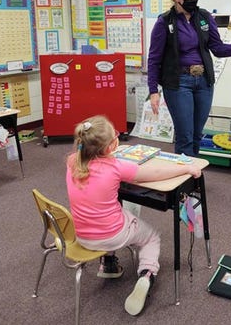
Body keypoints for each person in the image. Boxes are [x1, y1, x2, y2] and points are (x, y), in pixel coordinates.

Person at [65, 115, 202, 316]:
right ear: (111, 147)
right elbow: (154, 174)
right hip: (112, 234)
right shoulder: (115, 167)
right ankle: (146, 274)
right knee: (152, 236)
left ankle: (109, 264)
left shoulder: (72, 162)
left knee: (118, 210)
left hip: (81, 235)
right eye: (115, 137)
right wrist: (188, 168)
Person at [146, 0, 231, 157]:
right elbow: (154, 58)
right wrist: (153, 91)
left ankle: (192, 175)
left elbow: (217, 49)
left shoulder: (204, 17)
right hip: (178, 83)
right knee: (185, 135)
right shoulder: (164, 22)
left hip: (203, 82)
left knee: (196, 135)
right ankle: (184, 179)